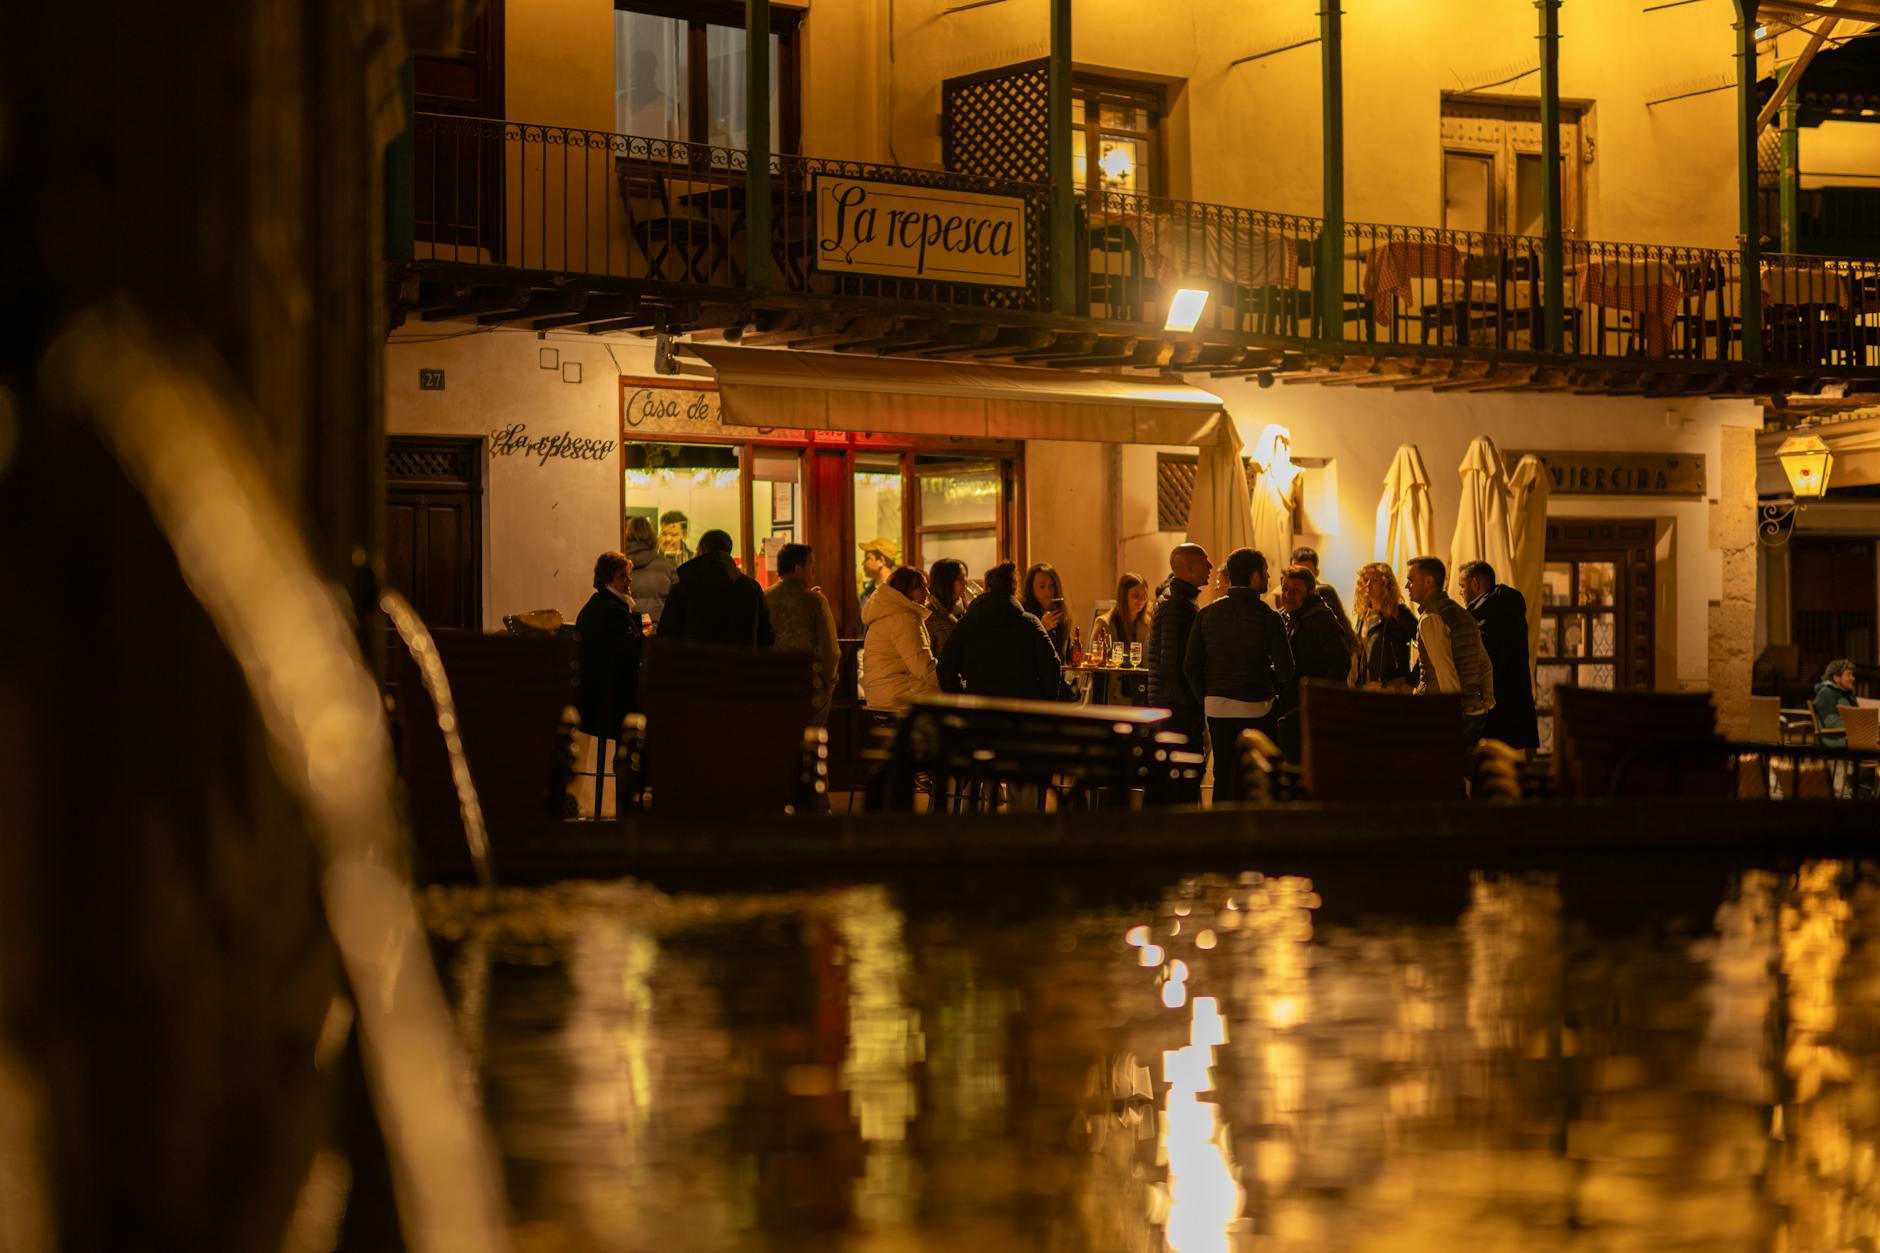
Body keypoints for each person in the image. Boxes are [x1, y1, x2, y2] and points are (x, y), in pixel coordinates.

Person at [1184, 548, 1294, 804]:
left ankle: (1221, 830)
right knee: (1256, 774)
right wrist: (1266, 681)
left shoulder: (1206, 615)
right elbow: (1286, 670)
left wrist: (1206, 696)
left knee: (1222, 772)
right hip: (1257, 706)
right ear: (1255, 577)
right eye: (1266, 572)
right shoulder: (1270, 618)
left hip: (1216, 706)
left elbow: (1190, 665)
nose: (1268, 577)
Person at [937, 562, 1061, 701]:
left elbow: (945, 670)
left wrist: (963, 697)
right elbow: (1052, 667)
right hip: (1022, 709)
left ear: (987, 588)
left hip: (979, 709)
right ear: (1014, 590)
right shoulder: (1029, 623)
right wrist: (1042, 701)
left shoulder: (966, 624)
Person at [1404, 555, 1495, 743]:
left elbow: (1445, 673)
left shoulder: (1431, 618)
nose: (1407, 586)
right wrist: (1486, 701)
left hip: (1445, 713)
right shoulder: (1463, 613)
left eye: (1411, 580)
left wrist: (1451, 717)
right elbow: (1484, 663)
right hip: (1475, 712)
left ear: (1428, 581)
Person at [1147, 543, 1213, 795]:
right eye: (1204, 562)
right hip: (1177, 708)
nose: (1209, 567)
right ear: (1188, 568)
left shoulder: (1177, 600)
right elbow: (1174, 662)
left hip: (1172, 704)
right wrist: (1192, 701)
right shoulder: (1179, 605)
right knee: (1181, 780)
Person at [1458, 561, 1540, 751]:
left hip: (1493, 702)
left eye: (1462, 586)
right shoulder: (1508, 606)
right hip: (1514, 701)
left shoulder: (1483, 616)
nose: (1460, 592)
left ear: (1475, 584)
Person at [764, 542, 841, 723]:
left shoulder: (764, 597)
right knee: (810, 743)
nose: (813, 573)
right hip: (808, 688)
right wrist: (828, 683)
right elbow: (830, 648)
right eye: (811, 566)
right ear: (799, 569)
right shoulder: (815, 601)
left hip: (772, 688)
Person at [659, 528, 774, 647]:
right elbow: (766, 636)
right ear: (728, 552)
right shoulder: (751, 587)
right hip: (739, 663)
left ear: (701, 551)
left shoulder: (683, 587)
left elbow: (667, 636)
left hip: (695, 663)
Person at [574, 551, 644, 742]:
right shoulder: (612, 611)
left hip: (594, 698)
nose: (629, 580)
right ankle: (630, 767)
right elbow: (628, 657)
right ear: (608, 579)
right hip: (609, 701)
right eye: (623, 575)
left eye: (629, 574)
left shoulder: (598, 604)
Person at [862, 566, 941, 715]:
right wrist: (952, 683)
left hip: (881, 692)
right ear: (904, 590)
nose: (927, 593)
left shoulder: (888, 613)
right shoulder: (904, 618)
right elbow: (923, 668)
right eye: (920, 587)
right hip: (897, 694)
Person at [1278, 566, 1358, 692]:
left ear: (1310, 592)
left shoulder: (1322, 619)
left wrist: (1322, 697)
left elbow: (1340, 663)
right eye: (1285, 589)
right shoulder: (1286, 617)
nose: (1288, 595)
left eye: (1296, 590)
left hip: (1311, 701)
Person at [1353, 561, 1419, 690]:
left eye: (1374, 581)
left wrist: (1410, 682)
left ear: (1386, 584)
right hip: (1366, 688)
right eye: (1366, 580)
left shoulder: (1399, 613)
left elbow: (1427, 647)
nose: (1368, 585)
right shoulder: (1363, 615)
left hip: (1391, 688)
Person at [622, 514, 677, 627]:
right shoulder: (668, 566)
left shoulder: (621, 566)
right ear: (652, 536)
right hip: (660, 627)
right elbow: (677, 600)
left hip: (630, 626)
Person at [1290, 545, 1354, 636]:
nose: (1300, 579)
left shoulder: (1325, 594)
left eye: (1306, 573)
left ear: (1316, 573)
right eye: (1295, 572)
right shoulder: (1282, 595)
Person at [1021, 562, 1071, 660]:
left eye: (1052, 585)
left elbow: (1064, 655)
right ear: (1032, 589)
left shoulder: (1059, 613)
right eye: (1042, 586)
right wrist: (1042, 629)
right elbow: (1022, 652)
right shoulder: (1025, 615)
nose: (1048, 591)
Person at [925, 558, 969, 658]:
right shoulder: (929, 616)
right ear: (945, 582)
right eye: (959, 578)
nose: (965, 582)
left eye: (966, 576)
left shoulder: (968, 610)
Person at [1814, 658, 1860, 750]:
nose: (1853, 678)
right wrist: (1857, 728)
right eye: (1848, 675)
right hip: (1835, 738)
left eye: (1852, 674)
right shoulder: (1826, 693)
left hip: (1850, 734)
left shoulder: (1847, 693)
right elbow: (1831, 722)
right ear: (1836, 678)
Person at [1102, 572, 1154, 651]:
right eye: (1135, 595)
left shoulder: (1147, 624)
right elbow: (1097, 659)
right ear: (1123, 596)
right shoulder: (1105, 624)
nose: (1141, 600)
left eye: (1144, 595)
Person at [858, 537, 899, 627]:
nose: (863, 563)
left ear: (881, 561)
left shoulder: (901, 589)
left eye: (867, 558)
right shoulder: (868, 591)